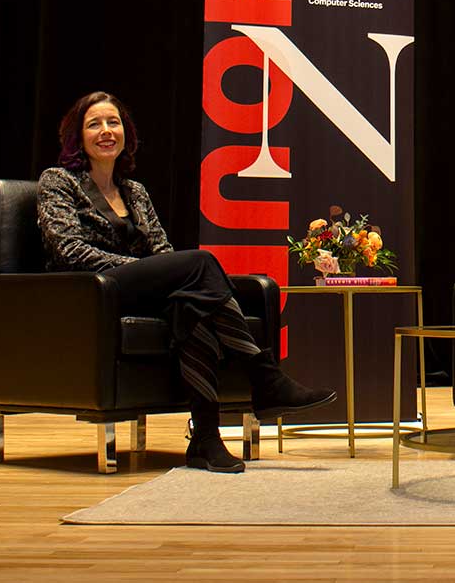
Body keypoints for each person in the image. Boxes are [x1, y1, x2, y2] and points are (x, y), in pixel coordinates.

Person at [37, 91, 336, 473]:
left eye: (113, 123)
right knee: (200, 262)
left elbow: (162, 250)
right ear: (77, 136)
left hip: (141, 292)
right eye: (94, 124)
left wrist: (158, 272)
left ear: (125, 133)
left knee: (191, 305)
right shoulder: (59, 181)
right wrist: (143, 268)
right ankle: (264, 376)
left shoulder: (134, 191)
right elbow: (69, 252)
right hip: (92, 291)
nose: (106, 131)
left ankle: (206, 439)